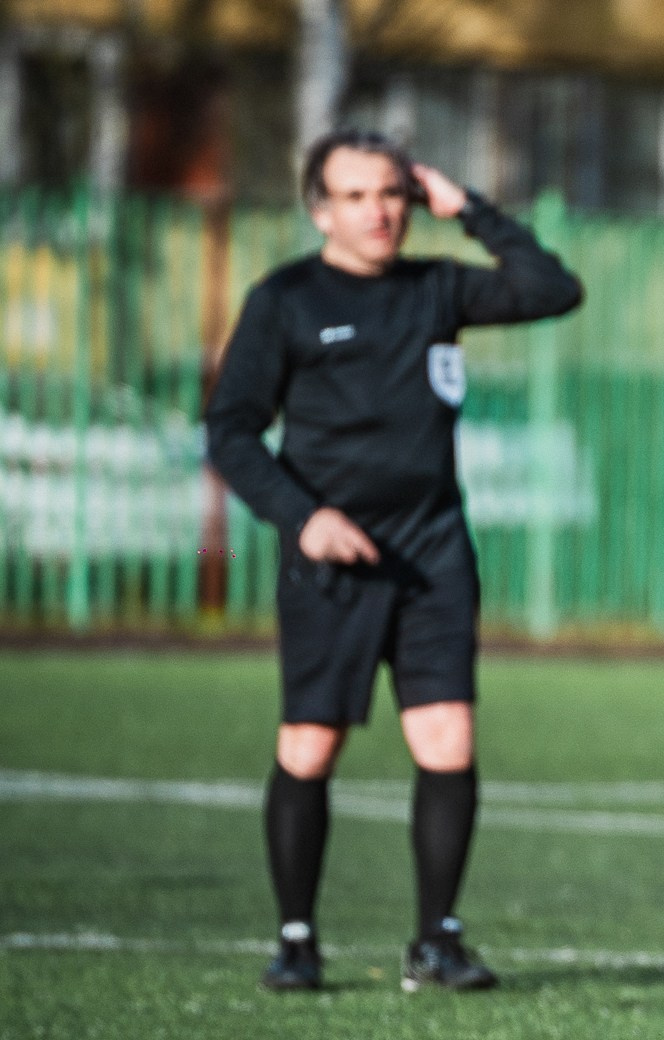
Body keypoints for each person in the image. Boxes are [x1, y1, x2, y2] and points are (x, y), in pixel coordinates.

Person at [206, 129, 583, 993]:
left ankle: (437, 940)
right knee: (310, 744)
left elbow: (551, 289)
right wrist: (302, 518)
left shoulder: (435, 286)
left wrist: (469, 208)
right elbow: (229, 429)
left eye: (391, 193)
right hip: (331, 559)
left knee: (448, 740)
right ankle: (297, 941)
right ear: (319, 209)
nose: (379, 212)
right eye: (356, 195)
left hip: (433, 550)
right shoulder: (286, 299)